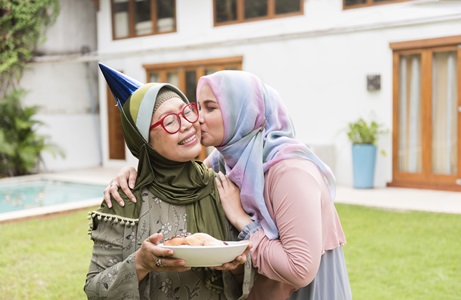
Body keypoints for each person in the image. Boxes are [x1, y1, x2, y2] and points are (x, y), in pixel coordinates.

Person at [106, 70, 352, 299]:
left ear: (244, 112)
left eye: (211, 108)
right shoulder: (225, 162)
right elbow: (181, 171)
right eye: (198, 107)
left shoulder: (290, 171)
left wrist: (241, 220)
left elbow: (299, 269)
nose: (197, 119)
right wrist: (133, 172)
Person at [84, 64, 251, 300]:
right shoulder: (124, 199)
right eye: (169, 122)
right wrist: (140, 263)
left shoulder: (222, 188)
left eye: (187, 111)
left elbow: (247, 274)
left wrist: (238, 267)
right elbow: (94, 289)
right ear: (144, 141)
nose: (186, 124)